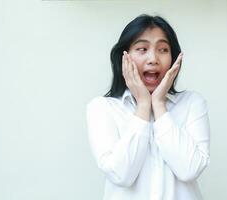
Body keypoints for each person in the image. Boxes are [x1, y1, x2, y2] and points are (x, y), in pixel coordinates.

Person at [86, 14, 211, 200]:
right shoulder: (102, 108)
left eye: (163, 49)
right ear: (124, 57)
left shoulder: (192, 103)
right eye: (142, 49)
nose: (153, 59)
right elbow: (121, 175)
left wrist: (159, 104)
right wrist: (144, 105)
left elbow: (189, 170)